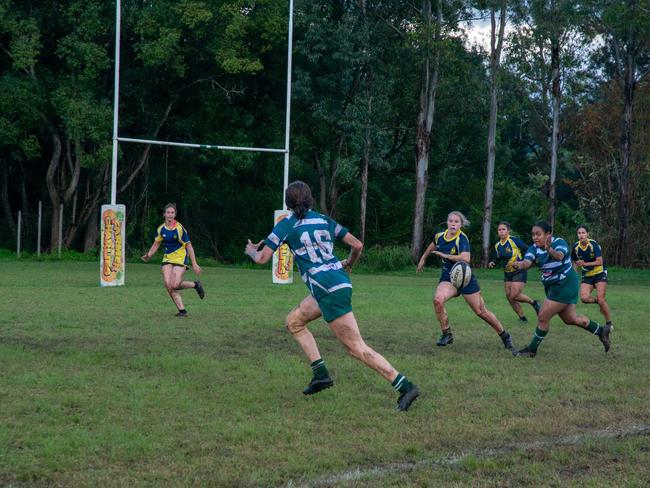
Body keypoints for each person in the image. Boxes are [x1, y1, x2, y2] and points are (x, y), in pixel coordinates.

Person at [245, 181, 419, 412]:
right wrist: (348, 264)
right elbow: (357, 245)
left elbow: (261, 258)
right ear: (310, 200)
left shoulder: (285, 225)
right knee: (294, 322)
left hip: (327, 290)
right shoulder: (323, 220)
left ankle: (406, 387)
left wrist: (250, 251)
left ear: (288, 203)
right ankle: (321, 375)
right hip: (335, 284)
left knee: (356, 348)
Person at [511, 221, 611, 358]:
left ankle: (531, 349)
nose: (535, 237)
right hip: (554, 286)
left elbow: (559, 256)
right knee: (570, 318)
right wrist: (520, 265)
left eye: (538, 234)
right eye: (533, 234)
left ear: (548, 234)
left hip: (565, 284)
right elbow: (528, 261)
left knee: (543, 317)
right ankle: (601, 331)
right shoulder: (533, 248)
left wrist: (549, 249)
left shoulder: (559, 243)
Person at [416, 211, 513, 350]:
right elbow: (432, 245)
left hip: (465, 278)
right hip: (448, 277)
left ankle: (505, 335)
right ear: (447, 222)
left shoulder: (462, 238)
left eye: (456, 222)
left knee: (481, 312)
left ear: (461, 225)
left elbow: (466, 258)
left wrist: (446, 255)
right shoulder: (440, 236)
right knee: (438, 299)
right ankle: (446, 333)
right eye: (451, 221)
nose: (453, 224)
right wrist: (423, 259)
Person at [141, 203, 205, 317]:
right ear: (164, 214)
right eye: (168, 212)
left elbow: (189, 246)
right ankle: (182, 311)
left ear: (175, 215)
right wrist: (148, 255)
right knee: (168, 285)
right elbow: (156, 243)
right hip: (167, 258)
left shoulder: (179, 228)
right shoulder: (161, 229)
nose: (170, 214)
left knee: (175, 284)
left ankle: (195, 285)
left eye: (172, 213)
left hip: (180, 257)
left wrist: (194, 264)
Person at [488, 221, 541, 323]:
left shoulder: (514, 240)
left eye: (504, 229)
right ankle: (522, 318)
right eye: (499, 230)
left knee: (514, 295)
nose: (501, 232)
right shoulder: (497, 245)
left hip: (519, 270)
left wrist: (526, 261)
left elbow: (528, 249)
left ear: (508, 231)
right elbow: (496, 257)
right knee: (509, 297)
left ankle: (534, 303)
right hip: (507, 272)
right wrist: (492, 262)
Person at [572, 225, 613, 328]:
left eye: (583, 233)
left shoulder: (593, 244)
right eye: (579, 233)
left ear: (587, 234)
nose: (581, 235)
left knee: (601, 298)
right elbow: (574, 261)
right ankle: (600, 302)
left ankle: (609, 324)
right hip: (587, 275)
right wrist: (574, 275)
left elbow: (600, 261)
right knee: (584, 298)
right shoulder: (576, 247)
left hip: (600, 273)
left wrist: (585, 264)